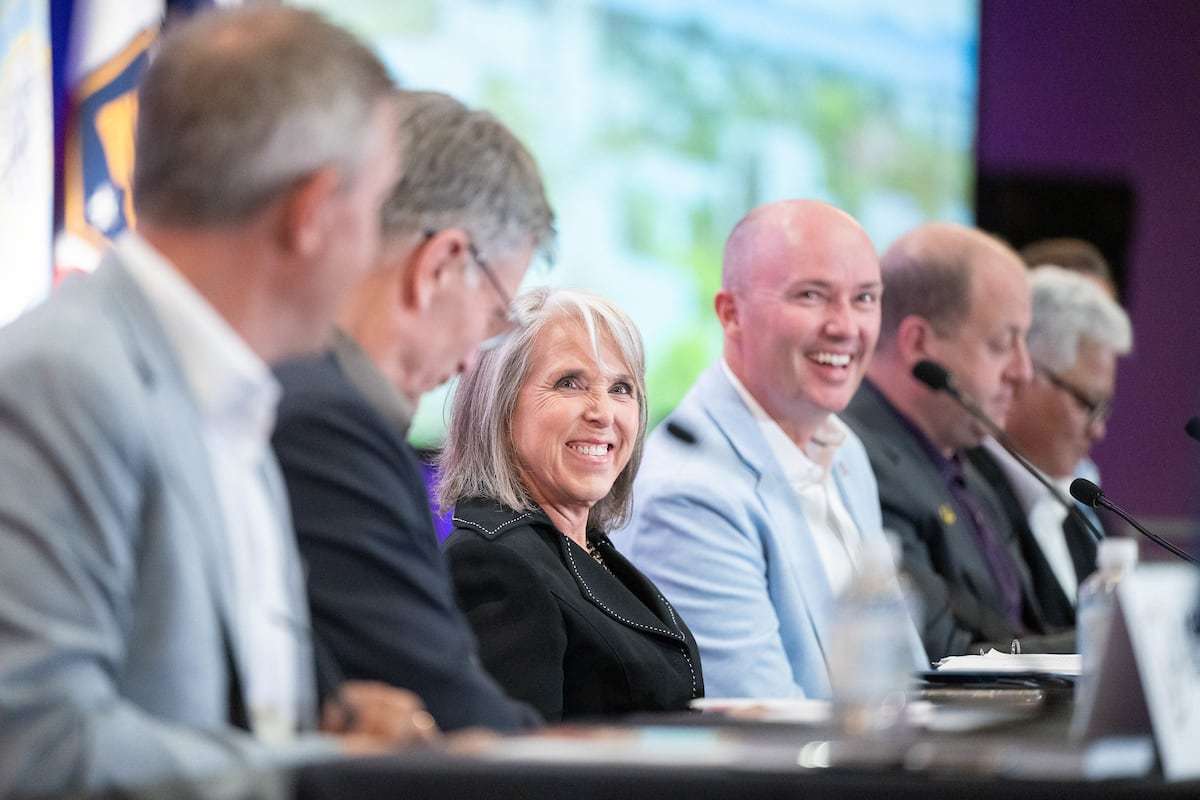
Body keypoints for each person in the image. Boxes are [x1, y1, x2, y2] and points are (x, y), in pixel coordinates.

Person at [0, 7, 434, 796]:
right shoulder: (66, 379)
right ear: (312, 214)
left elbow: (194, 716)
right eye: (375, 214)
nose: (373, 251)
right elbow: (37, 748)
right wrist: (322, 768)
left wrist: (318, 719)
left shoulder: (236, 401)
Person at [272, 90, 554, 731]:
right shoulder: (328, 425)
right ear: (440, 265)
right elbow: (451, 712)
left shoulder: (290, 392)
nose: (469, 361)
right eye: (493, 317)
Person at [619, 199, 925, 699]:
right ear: (731, 314)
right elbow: (757, 727)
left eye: (865, 298)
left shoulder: (845, 453)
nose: (846, 327)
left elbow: (903, 679)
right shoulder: (689, 493)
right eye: (811, 295)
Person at [438, 288, 703, 721]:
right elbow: (517, 773)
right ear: (500, 408)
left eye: (621, 388)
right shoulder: (495, 566)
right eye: (570, 383)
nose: (603, 412)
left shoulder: (586, 550)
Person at [843, 222, 1070, 660]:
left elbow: (1024, 628)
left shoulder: (974, 464)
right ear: (919, 343)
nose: (1023, 372)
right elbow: (945, 657)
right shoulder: (857, 462)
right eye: (1003, 344)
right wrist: (1096, 647)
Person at [969, 266, 1132, 628]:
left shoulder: (1075, 508)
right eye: (1089, 403)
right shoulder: (963, 491)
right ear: (1027, 372)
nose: (1099, 430)